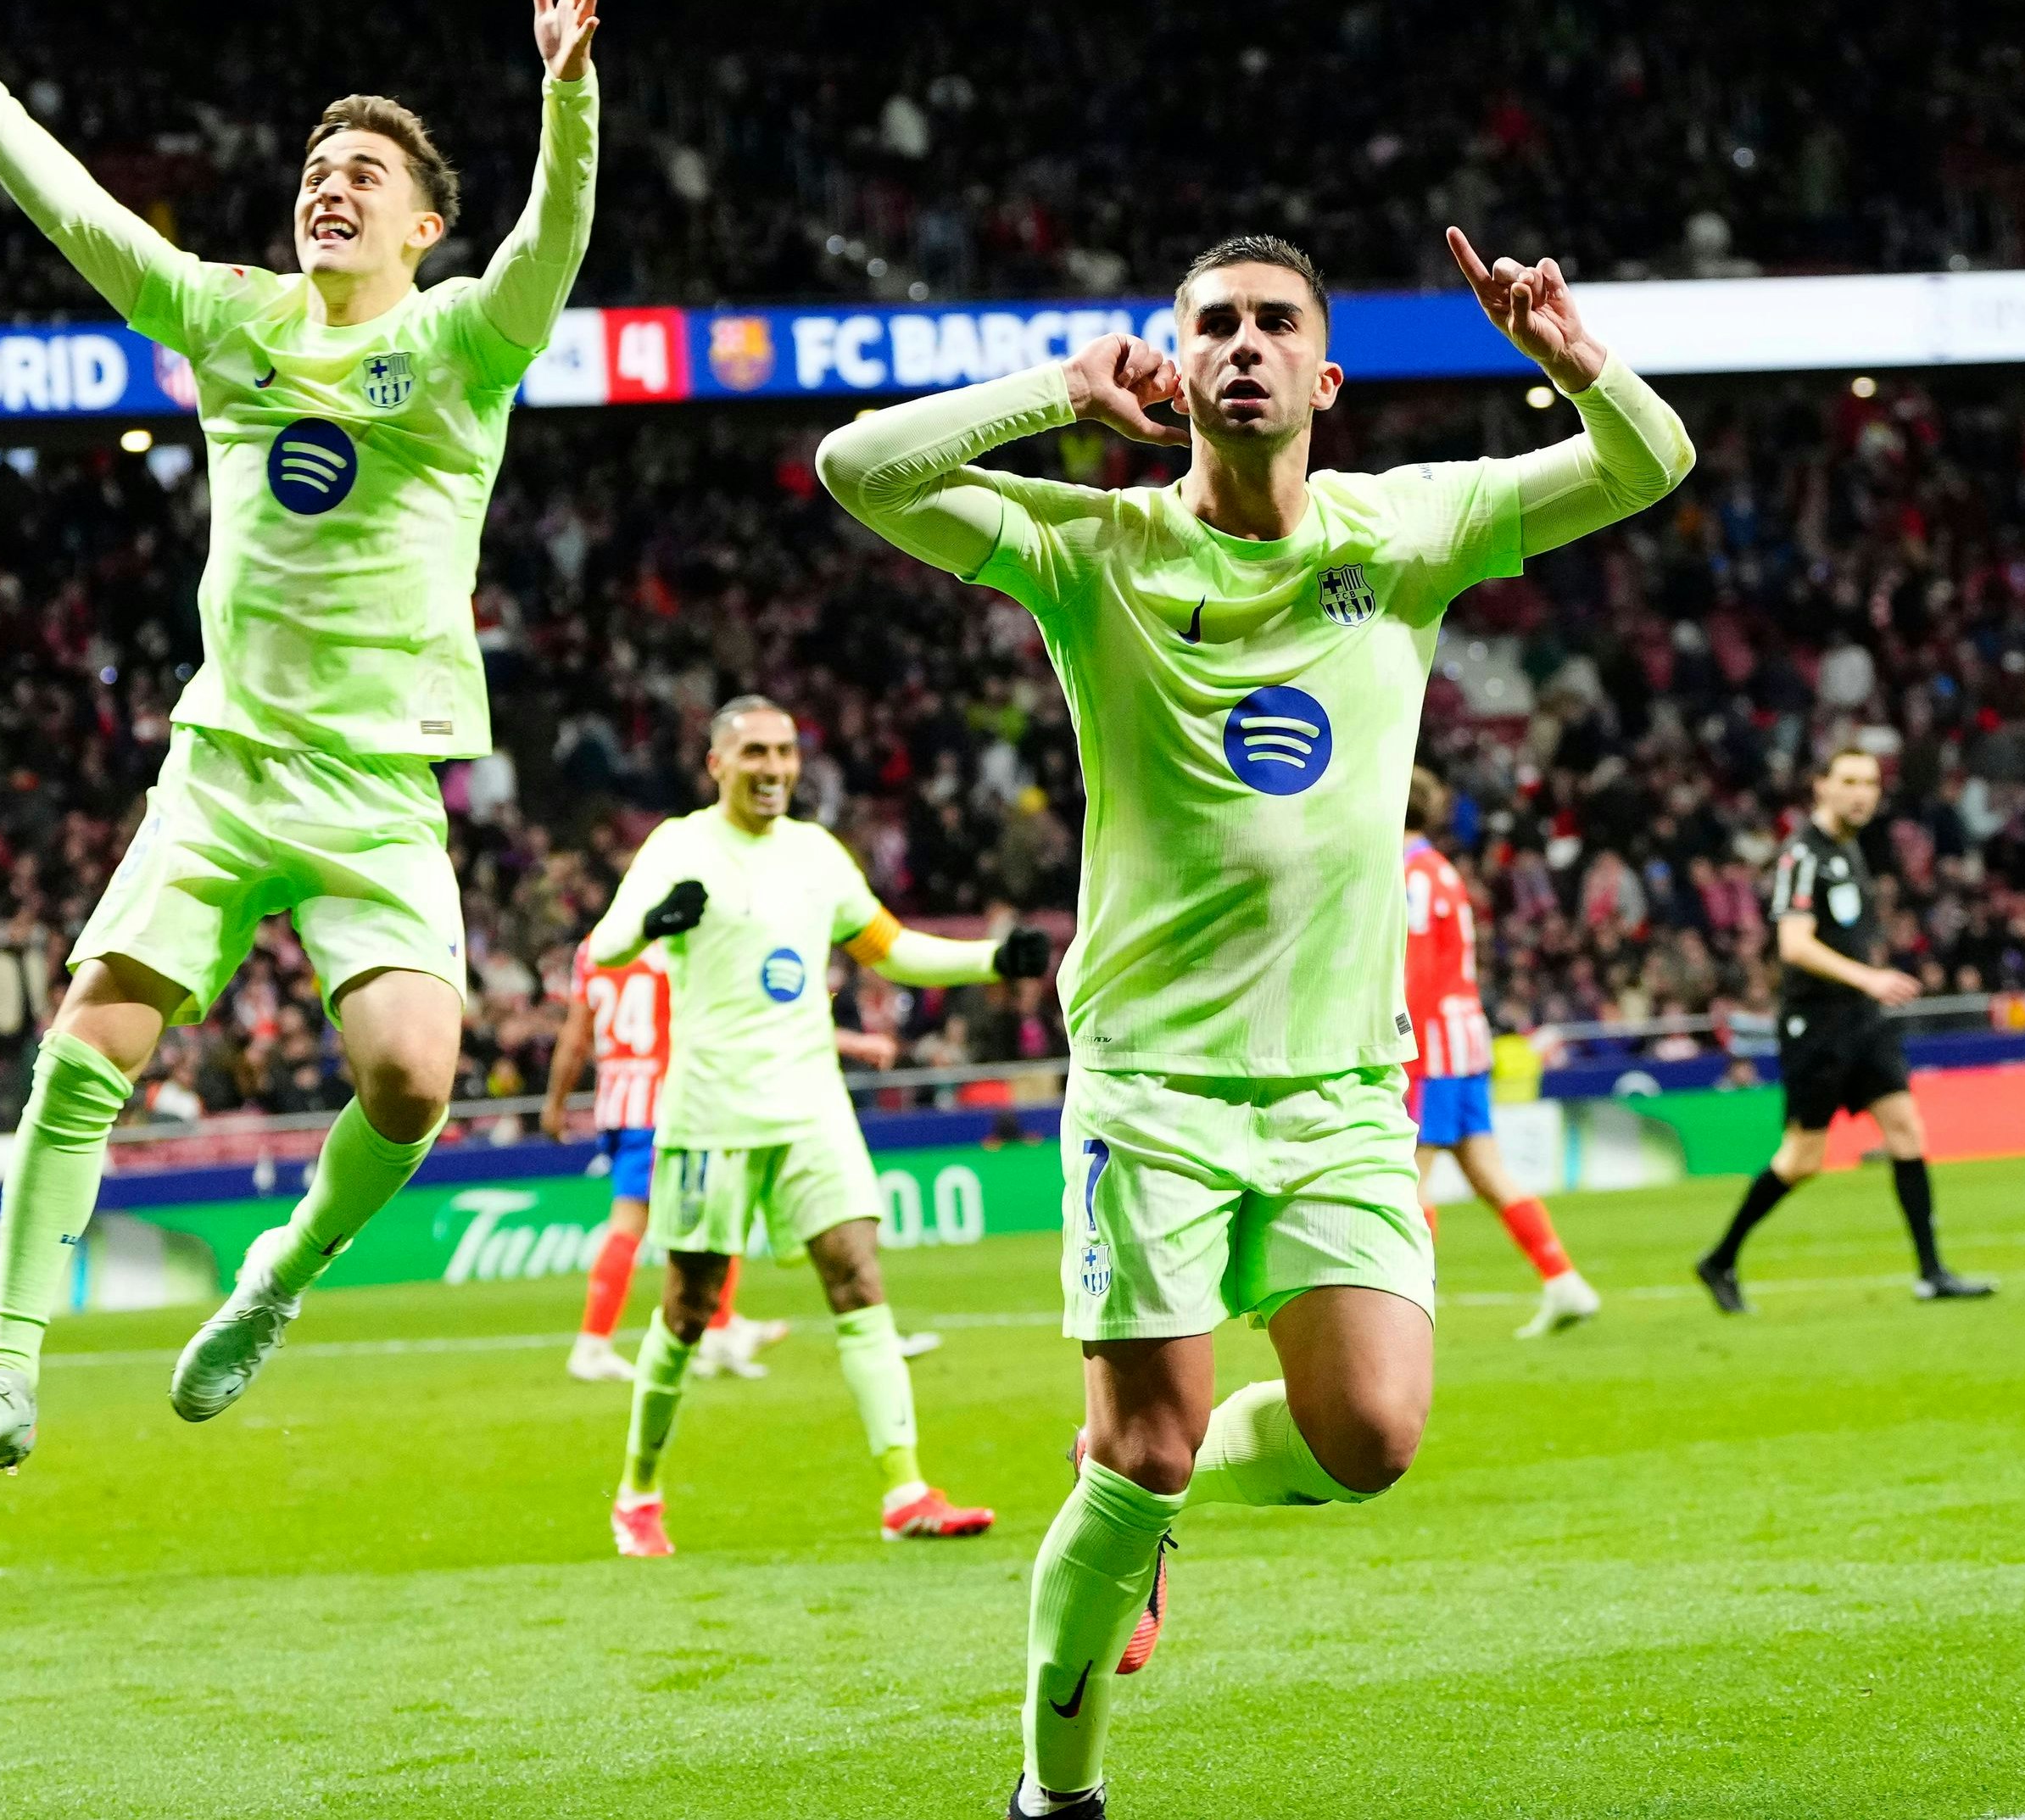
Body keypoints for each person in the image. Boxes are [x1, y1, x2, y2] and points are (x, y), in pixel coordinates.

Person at [818, 226, 1693, 1817]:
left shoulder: (1410, 527)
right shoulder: (1098, 549)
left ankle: (1159, 1498)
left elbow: (1651, 464)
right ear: (1176, 359)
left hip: (1346, 1084)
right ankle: (1056, 1792)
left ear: (1324, 376)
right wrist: (1055, 392)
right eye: (1212, 321)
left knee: (1372, 1437)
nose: (1242, 343)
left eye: (1274, 323)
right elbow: (858, 468)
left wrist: (1575, 362)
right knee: (1135, 1458)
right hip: (1151, 1084)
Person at [0, 0, 605, 1468]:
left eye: (365, 175)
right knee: (86, 1044)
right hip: (221, 764)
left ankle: (281, 1270)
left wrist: (566, 97)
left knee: (411, 1082)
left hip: (374, 783)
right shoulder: (235, 316)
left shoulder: (462, 342)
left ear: (422, 226)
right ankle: (6, 1376)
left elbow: (550, 243)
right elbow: (75, 213)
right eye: (317, 167)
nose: (330, 185)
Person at [586, 695, 1046, 1555]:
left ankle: (905, 1491)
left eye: (785, 752)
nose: (774, 768)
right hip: (711, 1113)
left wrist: (990, 960)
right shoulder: (678, 847)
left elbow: (891, 948)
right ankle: (638, 1493)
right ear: (717, 763)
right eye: (755, 752)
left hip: (810, 1106)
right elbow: (605, 945)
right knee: (687, 1309)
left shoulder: (816, 854)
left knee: (858, 1278)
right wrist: (652, 922)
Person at [1695, 748, 1995, 1314]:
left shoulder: (1849, 849)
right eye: (1850, 782)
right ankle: (1721, 1258)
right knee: (1802, 1159)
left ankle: (1932, 1273)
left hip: (1863, 1020)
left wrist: (1867, 986)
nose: (1862, 794)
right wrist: (1869, 977)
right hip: (1817, 1026)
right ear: (1822, 786)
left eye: (1871, 783)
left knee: (1905, 1130)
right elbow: (1794, 945)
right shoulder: (1802, 855)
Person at [543, 940, 801, 1383]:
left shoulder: (595, 947)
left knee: (704, 1212)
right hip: (670, 1105)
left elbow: (575, 1035)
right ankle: (597, 1345)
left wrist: (555, 1103)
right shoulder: (677, 944)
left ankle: (719, 1328)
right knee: (672, 1218)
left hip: (619, 1105)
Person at [1403, 769, 1600, 1337]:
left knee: (1408, 1178)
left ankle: (1411, 1312)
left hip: (1433, 1041)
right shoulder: (1440, 869)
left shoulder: (1412, 875)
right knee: (1487, 1170)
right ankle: (1563, 1281)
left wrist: (1404, 1050)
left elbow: (1418, 969)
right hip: (1465, 1035)